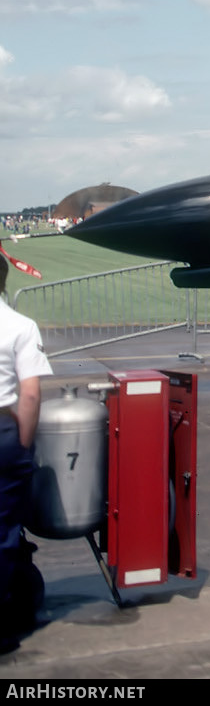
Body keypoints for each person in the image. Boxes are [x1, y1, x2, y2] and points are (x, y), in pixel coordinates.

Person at [0, 258, 50, 648]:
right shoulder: (19, 327)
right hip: (3, 431)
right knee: (3, 532)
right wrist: (23, 444)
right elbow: (30, 393)